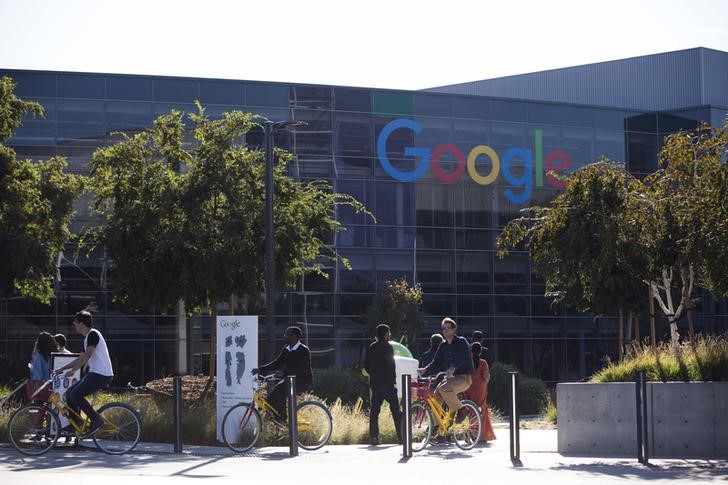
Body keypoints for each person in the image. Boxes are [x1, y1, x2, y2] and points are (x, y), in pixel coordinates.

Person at [53, 310, 114, 435]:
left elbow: (87, 356)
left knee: (75, 395)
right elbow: (80, 359)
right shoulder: (86, 339)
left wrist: (74, 370)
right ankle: (75, 424)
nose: (74, 325)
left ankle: (96, 420)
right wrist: (62, 369)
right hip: (95, 374)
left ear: (81, 324)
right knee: (69, 394)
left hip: (101, 374)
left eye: (75, 323)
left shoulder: (93, 334)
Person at [251, 326, 312, 425]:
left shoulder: (303, 350)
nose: (284, 336)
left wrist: (284, 373)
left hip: (303, 380)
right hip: (289, 379)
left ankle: (283, 419)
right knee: (271, 398)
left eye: (287, 335)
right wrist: (260, 369)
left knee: (280, 391)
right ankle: (278, 422)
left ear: (294, 337)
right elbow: (277, 363)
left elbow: (301, 369)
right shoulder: (286, 349)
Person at [417, 317, 473, 422]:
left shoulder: (461, 342)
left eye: (447, 328)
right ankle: (437, 426)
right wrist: (425, 369)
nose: (445, 330)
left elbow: (464, 357)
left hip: (463, 378)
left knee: (444, 389)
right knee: (435, 396)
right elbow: (436, 361)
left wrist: (453, 368)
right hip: (450, 379)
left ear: (454, 329)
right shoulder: (443, 346)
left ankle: (462, 409)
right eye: (443, 328)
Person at [363, 323, 403, 445]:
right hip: (388, 383)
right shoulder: (388, 347)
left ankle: (374, 437)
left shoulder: (371, 347)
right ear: (386, 334)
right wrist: (393, 380)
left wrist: (374, 374)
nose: (389, 335)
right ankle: (402, 437)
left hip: (375, 384)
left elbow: (366, 365)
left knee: (375, 412)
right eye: (389, 333)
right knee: (396, 411)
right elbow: (391, 365)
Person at [463, 342, 496, 442]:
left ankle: (469, 433)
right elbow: (486, 377)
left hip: (468, 388)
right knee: (482, 411)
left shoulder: (467, 361)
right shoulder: (483, 363)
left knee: (469, 411)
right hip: (480, 390)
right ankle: (481, 435)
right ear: (480, 351)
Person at [28, 332, 58, 400]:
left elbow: (37, 375)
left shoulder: (38, 356)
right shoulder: (55, 355)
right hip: (56, 386)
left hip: (43, 388)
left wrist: (36, 391)